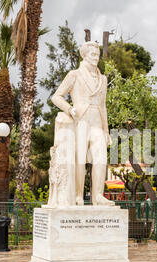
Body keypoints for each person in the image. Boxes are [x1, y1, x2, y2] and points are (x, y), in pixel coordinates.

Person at [52, 41, 114, 206]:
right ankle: (78, 195)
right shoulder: (75, 75)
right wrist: (69, 109)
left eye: (97, 55)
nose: (96, 58)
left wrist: (106, 131)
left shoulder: (103, 78)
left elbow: (103, 106)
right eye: (92, 54)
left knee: (101, 158)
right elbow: (56, 97)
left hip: (97, 123)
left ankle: (98, 196)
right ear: (84, 56)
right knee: (80, 159)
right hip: (81, 120)